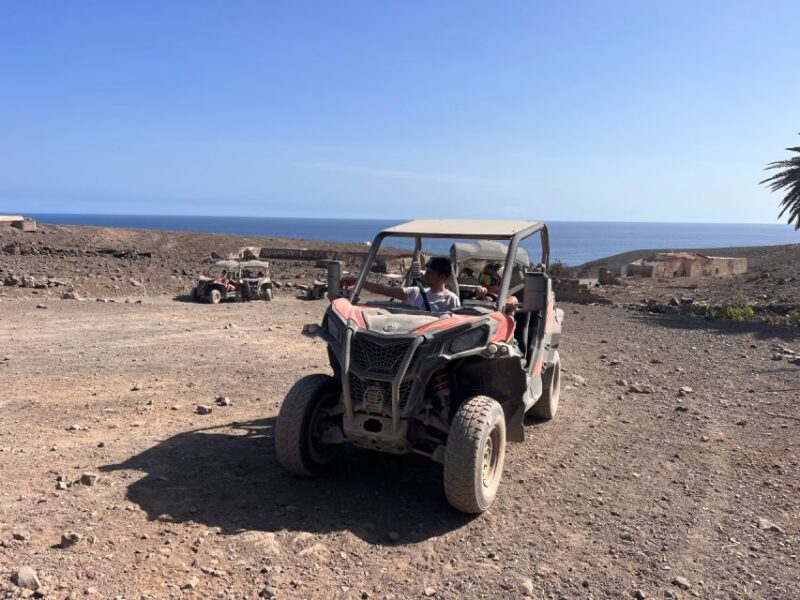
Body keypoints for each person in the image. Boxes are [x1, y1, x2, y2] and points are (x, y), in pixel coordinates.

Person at [342, 256, 460, 312]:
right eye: (426, 272)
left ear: (442, 277)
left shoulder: (451, 299)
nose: (426, 275)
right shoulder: (416, 292)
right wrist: (358, 281)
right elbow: (383, 290)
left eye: (431, 273)